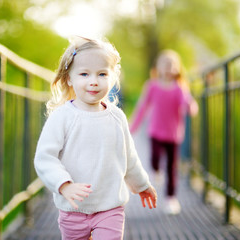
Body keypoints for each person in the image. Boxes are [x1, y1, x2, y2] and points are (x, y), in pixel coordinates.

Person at [34, 36, 157, 240]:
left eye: (102, 74)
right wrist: (64, 184)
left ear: (112, 77)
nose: (93, 81)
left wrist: (142, 184)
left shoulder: (116, 117)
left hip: (110, 206)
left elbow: (129, 157)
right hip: (73, 208)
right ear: (69, 78)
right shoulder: (63, 117)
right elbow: (44, 158)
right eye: (84, 74)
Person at [129, 49, 198, 215]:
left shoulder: (180, 88)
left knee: (172, 168)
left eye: (172, 65)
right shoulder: (152, 86)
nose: (168, 68)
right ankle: (156, 170)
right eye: (165, 64)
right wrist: (131, 128)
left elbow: (189, 107)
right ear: (158, 67)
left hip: (173, 135)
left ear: (177, 69)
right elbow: (142, 108)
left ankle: (171, 199)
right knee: (154, 158)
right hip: (155, 132)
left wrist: (190, 105)